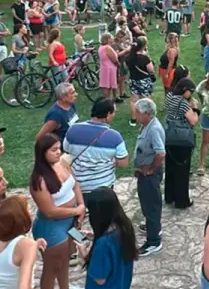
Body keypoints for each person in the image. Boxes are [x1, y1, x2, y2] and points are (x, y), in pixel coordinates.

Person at [29, 133, 86, 289]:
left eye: (58, 147)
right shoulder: (38, 180)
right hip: (52, 228)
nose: (58, 152)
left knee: (67, 256)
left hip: (70, 222)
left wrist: (82, 206)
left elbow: (75, 184)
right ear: (42, 153)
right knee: (51, 268)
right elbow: (50, 211)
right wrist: (76, 209)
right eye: (53, 150)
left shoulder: (62, 163)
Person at [76, 187, 137, 289]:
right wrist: (94, 235)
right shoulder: (125, 228)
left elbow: (100, 278)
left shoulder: (103, 244)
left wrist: (83, 255)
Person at [63, 98, 129, 208]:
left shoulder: (73, 129)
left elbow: (66, 149)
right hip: (103, 188)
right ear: (108, 114)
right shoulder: (115, 136)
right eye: (114, 113)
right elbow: (123, 163)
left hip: (78, 187)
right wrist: (112, 161)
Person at [132, 98, 165, 256]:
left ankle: (153, 241)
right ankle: (153, 226)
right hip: (143, 172)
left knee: (151, 204)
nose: (135, 115)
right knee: (147, 203)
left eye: (137, 112)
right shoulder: (146, 125)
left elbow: (160, 153)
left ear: (146, 113)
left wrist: (151, 169)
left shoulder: (154, 129)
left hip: (149, 175)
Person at [164, 78, 199, 209]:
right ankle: (181, 200)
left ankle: (169, 196)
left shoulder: (169, 96)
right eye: (190, 91)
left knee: (170, 168)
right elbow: (193, 121)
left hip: (169, 136)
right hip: (182, 139)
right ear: (185, 90)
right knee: (182, 171)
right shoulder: (183, 103)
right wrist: (195, 108)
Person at [125, 36, 155, 127]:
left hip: (133, 80)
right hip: (144, 81)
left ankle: (133, 119)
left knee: (134, 100)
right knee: (146, 100)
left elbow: (127, 68)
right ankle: (148, 117)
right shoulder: (144, 58)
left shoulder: (129, 57)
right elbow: (151, 70)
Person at [99, 33, 120, 101]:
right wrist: (118, 64)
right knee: (108, 86)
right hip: (109, 69)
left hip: (104, 67)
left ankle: (108, 99)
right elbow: (114, 59)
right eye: (111, 37)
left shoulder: (101, 47)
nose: (113, 38)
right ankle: (107, 100)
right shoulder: (107, 48)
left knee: (106, 85)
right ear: (108, 39)